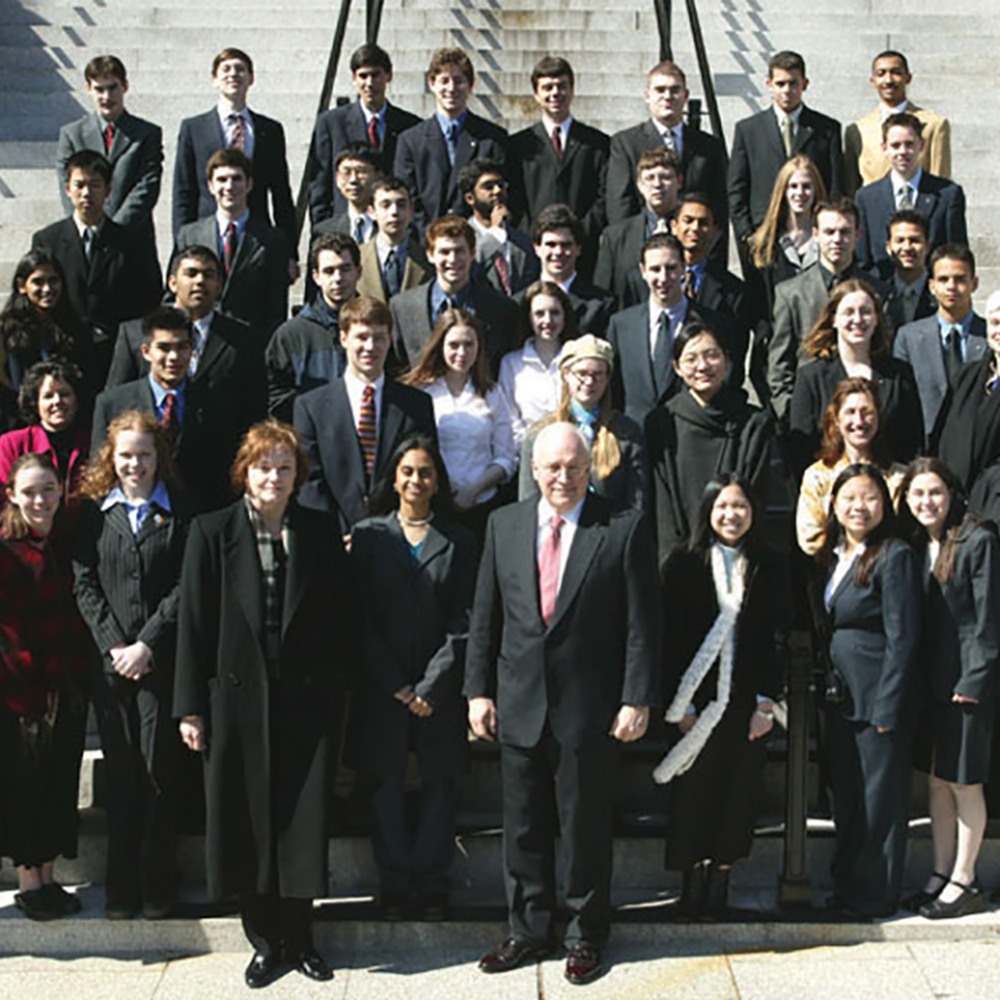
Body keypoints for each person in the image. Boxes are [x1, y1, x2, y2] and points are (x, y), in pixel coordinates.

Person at [466, 422, 660, 985]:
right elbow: (486, 617)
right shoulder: (504, 524)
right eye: (553, 467)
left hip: (589, 707)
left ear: (590, 469)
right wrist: (478, 690)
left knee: (584, 826)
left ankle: (584, 935)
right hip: (518, 701)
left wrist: (636, 697)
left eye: (575, 467)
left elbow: (642, 625)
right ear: (534, 469)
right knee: (522, 825)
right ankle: (527, 930)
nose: (564, 478)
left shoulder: (621, 528)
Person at [174, 419, 350, 987]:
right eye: (263, 466)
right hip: (237, 701)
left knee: (301, 822)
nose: (273, 476)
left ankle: (301, 940)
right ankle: (265, 942)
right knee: (246, 822)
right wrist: (190, 708)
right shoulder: (210, 532)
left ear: (298, 475)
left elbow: (338, 618)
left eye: (284, 466)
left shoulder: (320, 532)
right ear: (243, 473)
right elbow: (194, 625)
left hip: (305, 701)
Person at [346, 435, 478, 921]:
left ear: (437, 480)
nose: (416, 480)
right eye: (407, 471)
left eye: (425, 472)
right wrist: (395, 684)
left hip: (438, 692)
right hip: (384, 689)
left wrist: (431, 686)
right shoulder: (368, 536)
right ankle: (395, 885)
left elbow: (466, 619)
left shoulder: (460, 540)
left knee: (441, 786)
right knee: (383, 786)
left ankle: (433, 885)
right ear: (393, 479)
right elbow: (357, 619)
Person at [655, 474, 788, 917]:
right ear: (708, 511)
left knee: (738, 791)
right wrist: (683, 706)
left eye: (741, 507)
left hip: (747, 703)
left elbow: (777, 638)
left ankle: (721, 879)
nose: (732, 515)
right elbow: (669, 638)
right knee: (693, 790)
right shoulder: (682, 563)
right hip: (696, 702)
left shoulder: (770, 565)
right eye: (723, 506)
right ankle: (691, 879)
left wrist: (767, 704)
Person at [73, 412, 188, 920]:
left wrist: (147, 645)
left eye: (143, 454)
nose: (134, 464)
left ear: (158, 455)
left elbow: (187, 587)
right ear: (110, 458)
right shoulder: (94, 515)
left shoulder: (181, 513)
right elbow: (84, 582)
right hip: (110, 667)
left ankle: (157, 883)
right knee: (123, 777)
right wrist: (114, 645)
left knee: (160, 773)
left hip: (160, 664)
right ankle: (120, 887)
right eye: (125, 455)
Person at [897, 457, 998, 919]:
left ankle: (965, 878)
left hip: (966, 684)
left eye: (934, 492)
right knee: (937, 782)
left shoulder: (979, 540)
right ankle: (939, 873)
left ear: (953, 493)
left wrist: (974, 681)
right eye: (917, 494)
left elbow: (987, 620)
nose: (926, 501)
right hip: (931, 684)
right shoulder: (920, 544)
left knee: (964, 783)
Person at [817, 463, 920, 918]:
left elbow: (904, 637)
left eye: (870, 498)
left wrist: (889, 706)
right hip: (843, 700)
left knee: (880, 803)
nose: (860, 507)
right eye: (850, 498)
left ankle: (874, 895)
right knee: (852, 798)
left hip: (878, 697)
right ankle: (847, 888)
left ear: (885, 504)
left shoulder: (894, 554)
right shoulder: (833, 555)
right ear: (835, 505)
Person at [0, 453, 88, 921]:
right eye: (30, 491)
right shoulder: (5, 549)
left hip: (69, 686)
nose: (40, 499)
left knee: (58, 784)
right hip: (24, 696)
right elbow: (6, 631)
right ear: (13, 494)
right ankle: (29, 881)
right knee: (25, 788)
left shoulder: (65, 542)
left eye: (48, 489)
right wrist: (30, 692)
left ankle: (50, 876)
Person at [293, 297, 436, 538]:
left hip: (398, 541)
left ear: (389, 341)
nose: (370, 346)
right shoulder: (311, 407)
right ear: (343, 339)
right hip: (332, 543)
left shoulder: (416, 405)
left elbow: (423, 475)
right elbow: (309, 482)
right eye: (361, 337)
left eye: (379, 338)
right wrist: (335, 536)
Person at [92, 307, 245, 513]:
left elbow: (224, 477)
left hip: (196, 522)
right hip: (132, 522)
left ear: (192, 350)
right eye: (164, 348)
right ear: (146, 352)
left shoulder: (216, 405)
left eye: (182, 347)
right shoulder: (113, 403)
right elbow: (100, 474)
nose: (174, 357)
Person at [645, 321, 771, 561]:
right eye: (691, 359)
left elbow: (755, 495)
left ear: (728, 361)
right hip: (679, 559)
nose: (702, 366)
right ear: (677, 367)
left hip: (737, 552)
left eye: (712, 355)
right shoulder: (662, 422)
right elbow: (662, 506)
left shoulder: (753, 423)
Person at [105, 245, 266, 434]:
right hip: (146, 450)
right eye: (191, 273)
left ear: (219, 286)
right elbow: (115, 400)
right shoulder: (134, 334)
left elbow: (255, 410)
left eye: (208, 275)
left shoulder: (243, 340)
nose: (200, 281)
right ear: (172, 283)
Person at [32, 151, 161, 381]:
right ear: (68, 189)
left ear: (108, 190)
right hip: (64, 354)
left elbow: (148, 298)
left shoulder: (131, 242)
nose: (86, 193)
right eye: (79, 185)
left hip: (117, 357)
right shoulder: (47, 240)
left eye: (95, 185)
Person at [172, 46, 297, 276]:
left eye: (240, 69)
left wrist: (290, 253)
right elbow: (183, 192)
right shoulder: (193, 128)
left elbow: (281, 193)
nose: (233, 74)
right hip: (207, 236)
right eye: (226, 69)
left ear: (251, 78)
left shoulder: (270, 130)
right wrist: (181, 251)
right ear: (214, 80)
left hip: (256, 240)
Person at [767, 198, 889, 423]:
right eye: (829, 231)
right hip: (811, 416)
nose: (837, 240)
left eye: (845, 232)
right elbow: (779, 365)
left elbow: (884, 351)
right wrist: (790, 412)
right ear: (816, 234)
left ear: (857, 236)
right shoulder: (790, 293)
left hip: (865, 416)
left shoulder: (878, 292)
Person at [789, 279, 923, 476]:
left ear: (877, 318)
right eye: (849, 312)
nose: (858, 319)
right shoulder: (811, 377)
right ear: (834, 319)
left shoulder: (899, 374)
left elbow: (913, 441)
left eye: (866, 311)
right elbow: (798, 451)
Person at [405, 309, 516, 540]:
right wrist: (447, 487)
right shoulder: (422, 393)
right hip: (432, 504)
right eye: (454, 345)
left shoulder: (492, 393)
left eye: (469, 344)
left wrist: (473, 490)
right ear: (440, 346)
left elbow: (506, 457)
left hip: (483, 506)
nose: (462, 352)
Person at [607, 233, 732, 426]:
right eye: (655, 269)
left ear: (683, 268)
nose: (663, 278)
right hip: (636, 439)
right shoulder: (621, 325)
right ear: (643, 271)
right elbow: (614, 390)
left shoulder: (712, 323)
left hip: (692, 435)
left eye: (671, 268)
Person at [518, 334, 648, 513]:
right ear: (566, 375)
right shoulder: (540, 434)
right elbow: (528, 504)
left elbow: (637, 503)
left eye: (597, 374)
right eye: (581, 374)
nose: (589, 381)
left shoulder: (626, 433)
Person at [56, 55, 162, 274]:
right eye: (99, 89)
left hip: (132, 239)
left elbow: (147, 185)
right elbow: (67, 183)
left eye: (113, 88)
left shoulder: (147, 134)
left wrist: (113, 229)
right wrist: (87, 224)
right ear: (88, 89)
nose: (107, 96)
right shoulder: (71, 134)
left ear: (125, 86)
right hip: (86, 238)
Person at [728, 51, 842, 249]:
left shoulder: (827, 129)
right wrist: (746, 234)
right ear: (769, 85)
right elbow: (736, 188)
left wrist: (826, 229)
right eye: (780, 84)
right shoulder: (748, 130)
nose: (787, 90)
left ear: (804, 84)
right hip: (763, 234)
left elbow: (835, 186)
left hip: (812, 235)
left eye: (793, 83)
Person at [173, 148, 289, 342]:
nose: (229, 186)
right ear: (210, 186)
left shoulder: (272, 239)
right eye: (221, 179)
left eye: (236, 179)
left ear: (249, 184)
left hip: (249, 344)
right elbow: (173, 294)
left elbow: (276, 308)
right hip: (196, 343)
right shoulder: (190, 235)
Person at [606, 58, 728, 241]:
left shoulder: (709, 147)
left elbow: (719, 208)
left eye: (675, 90)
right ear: (648, 96)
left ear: (686, 95)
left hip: (696, 249)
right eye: (660, 90)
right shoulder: (625, 144)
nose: (668, 96)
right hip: (644, 248)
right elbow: (620, 205)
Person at [507, 56, 609, 263]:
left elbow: (604, 196)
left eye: (562, 86)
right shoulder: (518, 145)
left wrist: (579, 234)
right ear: (536, 94)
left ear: (572, 90)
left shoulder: (597, 143)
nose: (555, 93)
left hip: (583, 251)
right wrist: (534, 236)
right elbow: (514, 199)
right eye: (547, 87)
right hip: (534, 251)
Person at [393, 47, 507, 230]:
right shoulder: (410, 140)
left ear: (470, 85)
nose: (451, 88)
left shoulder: (493, 138)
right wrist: (431, 240)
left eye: (459, 81)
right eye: (444, 81)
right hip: (426, 245)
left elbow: (499, 196)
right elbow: (407, 197)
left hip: (477, 242)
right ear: (432, 84)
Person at [308, 43, 421, 225]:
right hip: (346, 226)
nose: (369, 83)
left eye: (376, 75)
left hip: (393, 225)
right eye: (363, 76)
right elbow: (319, 186)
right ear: (354, 78)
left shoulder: (410, 125)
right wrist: (323, 229)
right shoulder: (331, 123)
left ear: (388, 76)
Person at [389, 216, 518, 374]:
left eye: (459, 251)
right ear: (430, 255)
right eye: (444, 252)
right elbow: (397, 368)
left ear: (472, 253)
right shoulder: (403, 307)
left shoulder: (501, 309)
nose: (453, 259)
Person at [796, 377, 905, 556]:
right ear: (837, 420)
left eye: (867, 412)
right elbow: (810, 538)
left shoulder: (899, 477)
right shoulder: (817, 476)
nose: (859, 421)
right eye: (850, 412)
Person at [895, 244, 986, 443]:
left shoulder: (991, 337)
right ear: (932, 286)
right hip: (925, 448)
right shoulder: (908, 338)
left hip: (979, 445)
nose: (951, 286)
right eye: (943, 279)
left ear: (975, 284)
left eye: (960, 279)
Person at [266, 232, 361, 421]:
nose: (338, 278)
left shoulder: (377, 326)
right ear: (316, 277)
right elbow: (275, 397)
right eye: (329, 271)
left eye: (345, 269)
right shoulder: (291, 335)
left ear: (359, 272)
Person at [855, 112, 966, 271]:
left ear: (921, 145)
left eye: (909, 144)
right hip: (882, 290)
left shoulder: (947, 195)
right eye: (895, 145)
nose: (902, 151)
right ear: (884, 148)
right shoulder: (866, 198)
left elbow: (957, 254)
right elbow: (863, 260)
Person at [844, 50, 951, 195]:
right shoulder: (858, 130)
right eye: (881, 73)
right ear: (873, 81)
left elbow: (940, 181)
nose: (888, 80)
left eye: (896, 72)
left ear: (908, 78)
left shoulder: (934, 125)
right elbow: (851, 187)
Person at [933, 290, 1000, 523]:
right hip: (955, 509)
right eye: (995, 322)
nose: (999, 331)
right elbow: (942, 435)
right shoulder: (967, 376)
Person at [594, 147, 682, 309]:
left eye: (665, 177)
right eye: (650, 178)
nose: (657, 184)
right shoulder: (615, 237)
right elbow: (602, 296)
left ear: (679, 181)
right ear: (639, 185)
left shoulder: (694, 230)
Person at [0, 250, 90, 404]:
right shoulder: (5, 328)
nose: (47, 289)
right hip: (16, 413)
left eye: (53, 280)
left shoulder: (75, 328)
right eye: (38, 281)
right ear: (22, 286)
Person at [499, 280, 579, 447]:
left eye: (555, 312)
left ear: (565, 315)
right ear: (529, 317)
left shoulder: (578, 359)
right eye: (539, 313)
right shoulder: (511, 364)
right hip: (528, 456)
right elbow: (509, 421)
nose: (548, 320)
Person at [0, 360, 89, 509]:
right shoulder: (11, 444)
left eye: (65, 394)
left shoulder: (93, 441)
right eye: (48, 396)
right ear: (36, 403)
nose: (58, 401)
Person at [747, 154, 827, 314]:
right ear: (783, 191)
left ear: (816, 190)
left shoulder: (828, 239)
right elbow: (758, 303)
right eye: (793, 186)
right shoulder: (764, 244)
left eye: (806, 186)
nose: (800, 193)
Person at [524, 204, 614, 336]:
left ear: (578, 249)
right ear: (537, 248)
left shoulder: (602, 306)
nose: (558, 252)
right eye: (551, 244)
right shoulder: (521, 303)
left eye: (565, 245)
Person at [460, 159, 539, 296]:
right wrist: (495, 234)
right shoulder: (460, 237)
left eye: (501, 185)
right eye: (488, 187)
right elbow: (467, 271)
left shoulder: (522, 240)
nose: (497, 191)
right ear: (470, 198)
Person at [357, 176, 433, 303]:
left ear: (411, 211)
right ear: (371, 212)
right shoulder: (357, 258)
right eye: (385, 205)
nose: (394, 212)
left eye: (401, 205)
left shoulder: (426, 259)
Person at [876, 210, 938, 333]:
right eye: (900, 240)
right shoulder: (878, 293)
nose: (907, 247)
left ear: (927, 246)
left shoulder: (939, 293)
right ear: (889, 247)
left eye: (914, 240)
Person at [310, 144, 378, 246]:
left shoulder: (393, 226)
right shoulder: (324, 231)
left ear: (378, 176)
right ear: (337, 179)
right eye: (347, 172)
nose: (353, 180)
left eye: (361, 172)